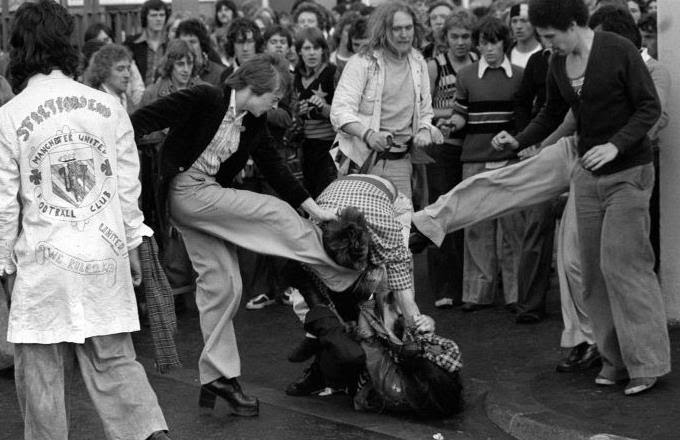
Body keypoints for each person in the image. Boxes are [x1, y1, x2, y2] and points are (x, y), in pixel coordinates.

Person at [130, 53, 360, 417]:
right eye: (275, 96)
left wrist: (315, 210)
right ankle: (344, 272)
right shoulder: (206, 98)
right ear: (255, 88)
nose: (277, 103)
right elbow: (141, 120)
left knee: (225, 286)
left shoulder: (253, 122)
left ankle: (218, 378)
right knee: (274, 211)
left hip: (203, 198)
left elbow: (274, 167)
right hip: (185, 192)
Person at [0, 1, 171, 438]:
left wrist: (3, 267)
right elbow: (127, 188)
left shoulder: (10, 117)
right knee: (115, 362)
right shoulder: (106, 106)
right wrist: (133, 245)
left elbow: (4, 206)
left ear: (19, 48)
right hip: (104, 252)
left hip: (42, 261)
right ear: (68, 44)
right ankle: (151, 433)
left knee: (40, 376)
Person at [493, 0, 667, 395]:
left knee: (625, 266)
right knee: (591, 273)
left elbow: (648, 107)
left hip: (629, 173)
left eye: (551, 37)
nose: (548, 45)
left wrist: (616, 146)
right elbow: (552, 114)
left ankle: (648, 364)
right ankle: (614, 361)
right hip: (589, 177)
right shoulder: (557, 63)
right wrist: (517, 141)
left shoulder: (617, 50)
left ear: (573, 24)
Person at [330, 1, 441, 231]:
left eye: (408, 28)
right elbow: (339, 110)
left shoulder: (418, 62)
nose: (404, 34)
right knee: (361, 235)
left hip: (400, 161)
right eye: (396, 29)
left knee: (400, 234)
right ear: (384, 30)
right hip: (361, 161)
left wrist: (423, 129)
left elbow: (426, 111)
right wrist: (368, 134)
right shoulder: (363, 62)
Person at [441, 16, 524, 312]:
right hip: (474, 159)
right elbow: (461, 113)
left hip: (509, 161)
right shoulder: (465, 76)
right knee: (477, 227)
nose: (489, 49)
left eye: (495, 42)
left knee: (512, 227)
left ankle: (516, 295)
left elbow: (523, 119)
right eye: (484, 43)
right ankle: (478, 293)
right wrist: (451, 123)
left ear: (505, 43)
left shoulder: (519, 75)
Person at [424, 9, 477, 309]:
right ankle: (444, 285)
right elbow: (426, 109)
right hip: (441, 149)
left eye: (466, 36)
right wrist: (458, 111)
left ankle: (468, 283)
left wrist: (462, 112)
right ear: (445, 39)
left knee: (468, 213)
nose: (461, 42)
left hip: (471, 147)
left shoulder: (478, 62)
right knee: (441, 212)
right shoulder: (435, 66)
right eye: (455, 36)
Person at [294, 27, 338, 198]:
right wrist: (297, 111)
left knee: (325, 194)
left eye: (316, 48)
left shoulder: (332, 73)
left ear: (323, 50)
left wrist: (323, 107)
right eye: (307, 48)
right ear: (299, 51)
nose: (312, 53)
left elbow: (343, 113)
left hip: (327, 146)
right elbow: (290, 111)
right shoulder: (295, 76)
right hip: (303, 147)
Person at [124, 0, 168, 86]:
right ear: (145, 18)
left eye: (162, 15)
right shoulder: (132, 43)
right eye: (153, 15)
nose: (158, 19)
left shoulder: (170, 43)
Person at [84, 44, 135, 113]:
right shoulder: (94, 102)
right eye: (120, 69)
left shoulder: (129, 101)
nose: (127, 75)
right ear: (104, 71)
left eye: (128, 69)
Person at [176, 18, 226, 86]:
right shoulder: (173, 73)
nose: (188, 47)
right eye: (184, 42)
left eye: (192, 42)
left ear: (202, 44)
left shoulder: (220, 74)